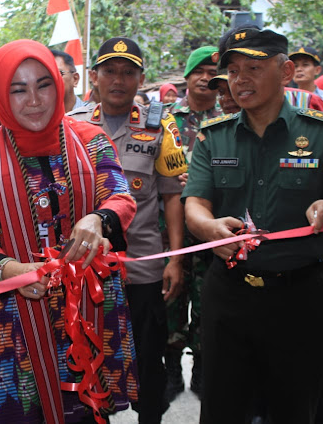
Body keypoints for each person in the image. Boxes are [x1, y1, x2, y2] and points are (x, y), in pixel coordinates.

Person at [182, 27, 323, 423]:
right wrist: (209, 227)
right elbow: (194, 203)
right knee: (221, 407)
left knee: (295, 406)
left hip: (298, 293)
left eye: (253, 67)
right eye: (232, 70)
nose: (240, 79)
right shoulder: (214, 138)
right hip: (228, 294)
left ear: (285, 72)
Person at [0, 39, 138, 423]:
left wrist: (98, 220)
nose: (35, 100)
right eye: (18, 90)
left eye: (43, 84)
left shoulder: (91, 141)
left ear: (59, 86)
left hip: (89, 312)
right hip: (16, 317)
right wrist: (11, 271)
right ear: (1, 96)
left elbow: (121, 199)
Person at [70, 36, 185, 423]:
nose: (118, 80)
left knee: (148, 360)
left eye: (128, 72)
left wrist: (173, 260)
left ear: (141, 79)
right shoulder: (73, 127)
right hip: (86, 271)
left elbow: (171, 197)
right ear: (94, 76)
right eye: (110, 71)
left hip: (142, 267)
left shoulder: (160, 127)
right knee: (86, 358)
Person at [166, 45, 222, 400]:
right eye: (198, 71)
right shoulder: (165, 118)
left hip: (210, 227)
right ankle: (171, 371)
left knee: (206, 300)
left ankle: (202, 369)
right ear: (186, 77)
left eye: (212, 73)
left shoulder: (228, 119)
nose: (205, 78)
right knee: (171, 299)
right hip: (168, 227)